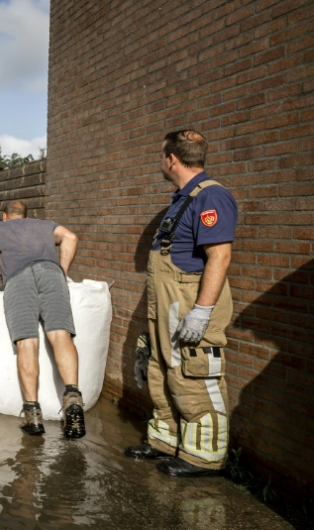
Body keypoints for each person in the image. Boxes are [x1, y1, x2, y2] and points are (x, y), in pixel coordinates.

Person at [125, 130, 238, 477]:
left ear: (171, 159)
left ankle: (203, 458)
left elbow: (219, 255)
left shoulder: (211, 196)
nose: (160, 162)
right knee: (161, 369)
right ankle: (164, 441)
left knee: (194, 372)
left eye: (162, 156)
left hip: (190, 303)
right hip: (168, 305)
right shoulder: (182, 199)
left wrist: (202, 311)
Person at [0, 201, 85, 439]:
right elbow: (70, 237)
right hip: (51, 274)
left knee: (27, 341)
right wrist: (63, 272)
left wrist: (0, 268)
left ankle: (33, 415)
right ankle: (73, 402)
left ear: (5, 216)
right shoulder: (44, 225)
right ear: (27, 216)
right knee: (60, 334)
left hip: (18, 277)